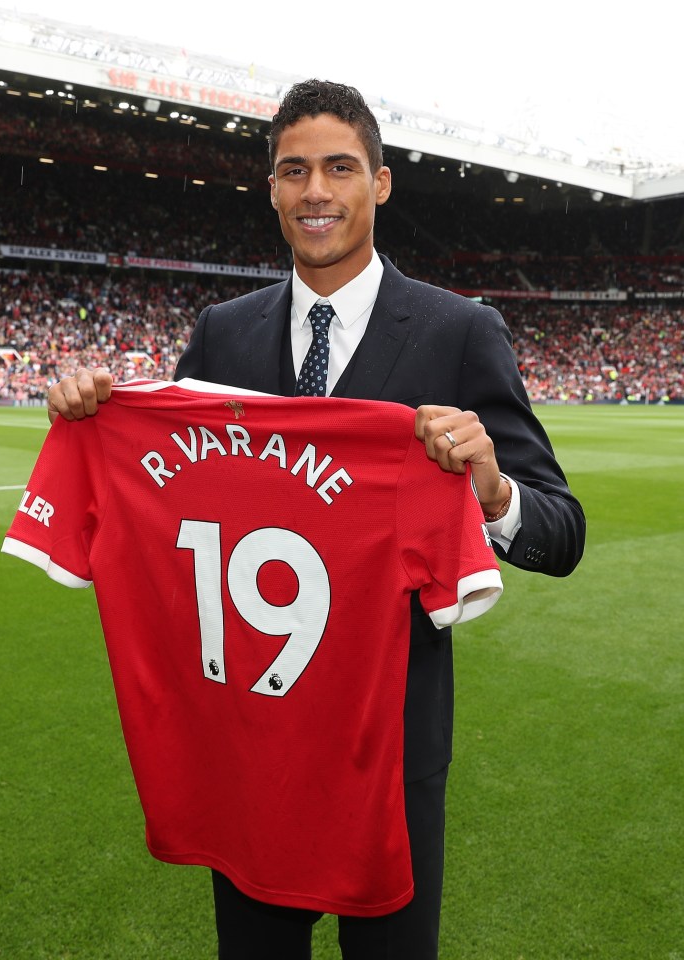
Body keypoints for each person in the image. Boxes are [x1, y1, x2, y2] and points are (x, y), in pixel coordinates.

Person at [46, 79, 586, 960]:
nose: (316, 192)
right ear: (270, 190)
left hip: (390, 741)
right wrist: (90, 411)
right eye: (293, 172)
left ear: (378, 183)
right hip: (249, 738)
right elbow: (164, 479)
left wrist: (491, 490)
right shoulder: (221, 332)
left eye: (339, 168)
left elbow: (561, 533)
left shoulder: (459, 332)